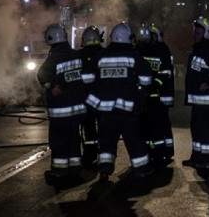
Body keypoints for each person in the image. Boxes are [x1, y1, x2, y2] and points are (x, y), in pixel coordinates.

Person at [82, 22, 154, 182]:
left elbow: (86, 75)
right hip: (128, 110)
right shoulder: (133, 55)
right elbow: (147, 78)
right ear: (128, 38)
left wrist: (97, 87)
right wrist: (141, 91)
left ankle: (105, 169)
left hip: (107, 111)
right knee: (134, 140)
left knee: (106, 141)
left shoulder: (102, 55)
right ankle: (142, 169)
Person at [36, 23, 88, 184]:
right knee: (74, 138)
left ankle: (60, 170)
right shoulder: (77, 55)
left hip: (60, 110)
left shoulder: (54, 57)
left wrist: (51, 86)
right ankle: (75, 168)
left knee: (59, 140)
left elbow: (41, 74)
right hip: (77, 108)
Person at [182, 16, 209, 171]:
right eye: (195, 32)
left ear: (206, 33)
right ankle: (197, 158)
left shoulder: (208, 49)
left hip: (207, 101)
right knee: (197, 129)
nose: (195, 34)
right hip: (199, 101)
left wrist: (208, 83)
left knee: (207, 131)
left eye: (199, 32)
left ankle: (208, 160)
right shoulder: (199, 48)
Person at [135, 23, 175, 166]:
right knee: (151, 125)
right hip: (149, 95)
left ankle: (160, 153)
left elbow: (165, 72)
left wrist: (154, 86)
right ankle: (156, 152)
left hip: (158, 94)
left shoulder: (161, 50)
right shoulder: (143, 50)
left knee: (158, 125)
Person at [78, 25, 104, 170]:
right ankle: (104, 156)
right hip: (102, 100)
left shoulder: (79, 55)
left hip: (86, 100)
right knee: (104, 128)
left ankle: (89, 155)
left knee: (88, 129)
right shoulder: (105, 54)